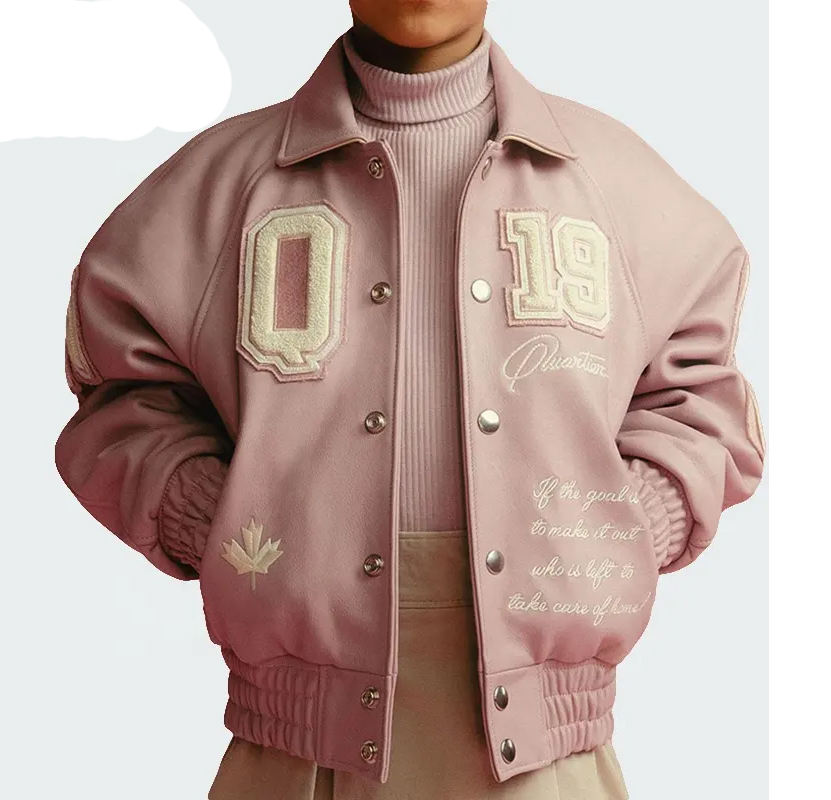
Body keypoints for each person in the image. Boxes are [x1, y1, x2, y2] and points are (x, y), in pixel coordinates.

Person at [55, 1, 765, 798]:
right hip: (293, 755)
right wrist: (217, 522)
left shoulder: (617, 185)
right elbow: (123, 397)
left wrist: (619, 531)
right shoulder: (216, 188)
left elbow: (701, 404)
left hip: (552, 761)